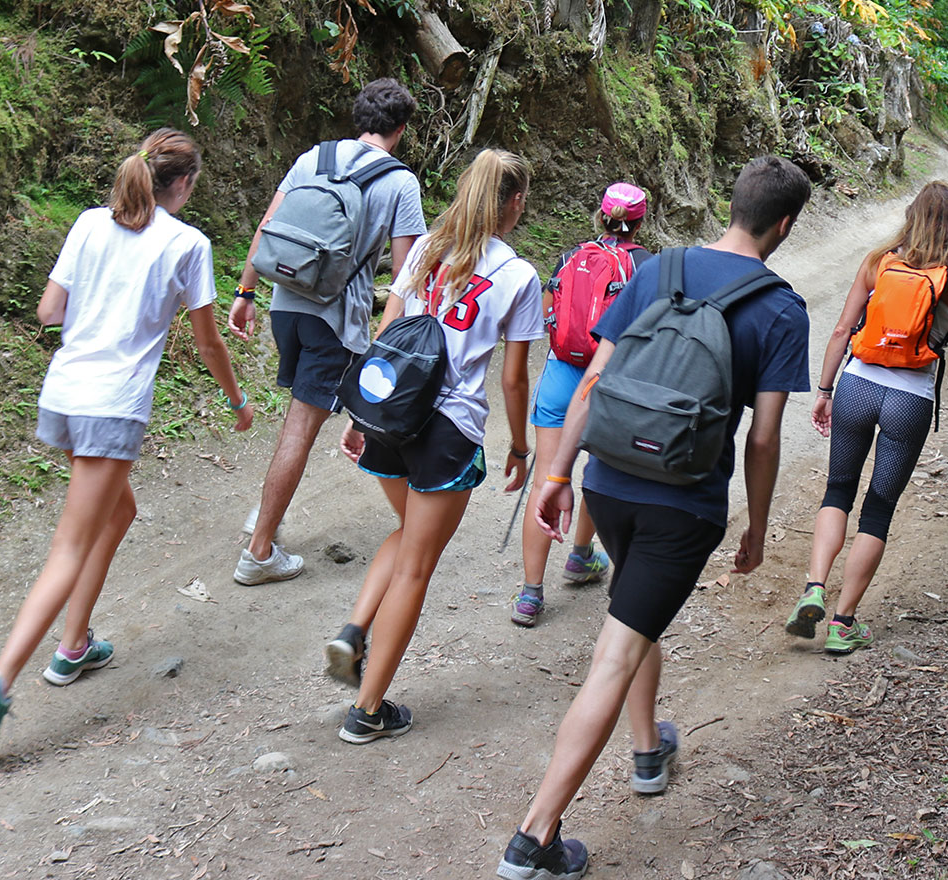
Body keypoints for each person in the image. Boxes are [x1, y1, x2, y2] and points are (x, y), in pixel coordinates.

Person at [498, 156, 812, 880]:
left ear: (732, 205)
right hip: (684, 504)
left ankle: (648, 751)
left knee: (632, 611)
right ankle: (533, 839)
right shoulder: (781, 308)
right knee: (615, 650)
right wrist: (757, 525)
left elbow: (594, 381)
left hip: (610, 481)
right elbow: (763, 438)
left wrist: (557, 476)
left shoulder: (655, 269)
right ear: (786, 225)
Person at [0, 130, 254, 761]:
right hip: (110, 406)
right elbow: (208, 343)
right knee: (70, 545)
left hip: (64, 394)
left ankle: (74, 645)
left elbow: (48, 311)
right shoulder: (188, 244)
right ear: (186, 184)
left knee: (119, 513)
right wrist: (237, 400)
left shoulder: (91, 223)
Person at [322, 148, 544, 744]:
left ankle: (354, 628)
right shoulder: (519, 277)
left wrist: (359, 414)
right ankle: (367, 711)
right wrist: (520, 447)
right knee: (418, 565)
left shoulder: (424, 250)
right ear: (514, 203)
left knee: (406, 534)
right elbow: (514, 378)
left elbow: (387, 332)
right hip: (449, 430)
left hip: (391, 413)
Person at [227, 78, 426, 585]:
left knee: (296, 416)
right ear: (399, 129)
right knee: (301, 426)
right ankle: (259, 550)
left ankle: (263, 514)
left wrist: (245, 293)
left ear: (359, 119)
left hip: (283, 305)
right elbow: (406, 278)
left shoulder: (314, 158)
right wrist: (391, 353)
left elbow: (268, 225)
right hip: (333, 320)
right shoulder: (401, 183)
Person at [787, 180, 948, 654]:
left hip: (857, 386)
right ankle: (843, 623)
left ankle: (815, 585)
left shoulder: (880, 261)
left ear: (912, 215)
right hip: (910, 400)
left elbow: (841, 328)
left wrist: (824, 389)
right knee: (878, 509)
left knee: (838, 489)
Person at [510, 181, 654, 627]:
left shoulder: (572, 254)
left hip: (559, 373)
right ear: (641, 220)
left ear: (601, 214)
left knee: (546, 482)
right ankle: (579, 555)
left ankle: (530, 595)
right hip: (606, 382)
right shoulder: (645, 264)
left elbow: (550, 310)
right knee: (594, 471)